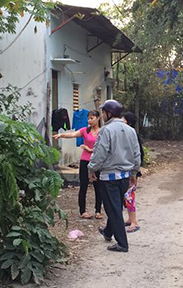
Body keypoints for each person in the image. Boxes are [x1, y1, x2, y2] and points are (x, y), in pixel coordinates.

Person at [88, 100, 141, 253]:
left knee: (113, 209)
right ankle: (108, 232)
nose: (102, 115)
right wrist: (134, 172)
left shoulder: (106, 130)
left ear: (108, 113)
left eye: (103, 112)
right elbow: (136, 153)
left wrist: (91, 168)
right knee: (116, 206)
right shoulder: (130, 130)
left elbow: (100, 153)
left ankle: (122, 243)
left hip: (109, 177)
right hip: (124, 176)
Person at [53, 110, 103, 219]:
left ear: (98, 118)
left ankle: (98, 210)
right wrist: (61, 135)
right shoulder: (85, 130)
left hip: (98, 162)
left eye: (92, 118)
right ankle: (83, 211)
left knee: (98, 187)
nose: (89, 120)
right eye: (88, 118)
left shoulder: (103, 132)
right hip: (85, 161)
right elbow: (73, 134)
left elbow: (103, 148)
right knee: (83, 186)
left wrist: (89, 149)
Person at [122, 112, 145, 233]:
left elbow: (138, 154)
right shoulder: (128, 134)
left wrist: (134, 172)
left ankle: (134, 222)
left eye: (123, 119)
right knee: (127, 196)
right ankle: (130, 219)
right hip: (129, 170)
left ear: (128, 122)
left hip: (131, 172)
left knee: (130, 196)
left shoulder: (132, 135)